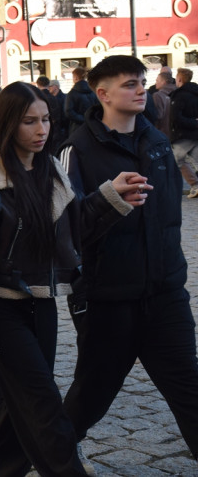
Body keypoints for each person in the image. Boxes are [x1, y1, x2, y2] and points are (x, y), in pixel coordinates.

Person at [0, 82, 142, 476]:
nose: (41, 130)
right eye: (28, 121)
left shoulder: (51, 172)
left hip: (42, 304)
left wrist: (112, 196)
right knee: (42, 401)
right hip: (0, 307)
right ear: (7, 124)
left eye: (45, 119)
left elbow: (74, 231)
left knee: (18, 409)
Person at [60, 55, 198, 462]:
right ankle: (52, 450)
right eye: (129, 84)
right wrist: (109, 200)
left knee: (188, 384)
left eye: (141, 82)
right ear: (102, 94)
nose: (141, 90)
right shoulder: (76, 150)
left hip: (164, 291)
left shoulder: (155, 140)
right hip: (107, 296)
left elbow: (169, 213)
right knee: (93, 390)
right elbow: (67, 229)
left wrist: (172, 270)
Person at [170, 67, 198, 199]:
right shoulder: (195, 92)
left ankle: (195, 184)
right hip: (195, 133)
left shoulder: (179, 95)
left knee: (176, 159)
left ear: (179, 79)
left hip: (183, 135)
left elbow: (176, 117)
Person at [64, 66, 98, 135]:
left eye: (73, 77)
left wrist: (82, 119)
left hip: (77, 127)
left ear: (76, 78)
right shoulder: (93, 91)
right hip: (93, 126)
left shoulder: (72, 93)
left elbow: (68, 111)